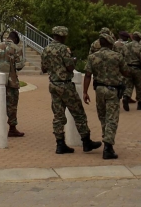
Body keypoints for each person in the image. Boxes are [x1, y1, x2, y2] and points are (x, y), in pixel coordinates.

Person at [43, 27, 100, 155]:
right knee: (78, 113)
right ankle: (86, 141)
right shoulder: (63, 49)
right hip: (65, 85)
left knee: (58, 115)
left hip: (53, 84)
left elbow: (43, 67)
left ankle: (60, 144)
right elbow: (70, 67)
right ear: (62, 36)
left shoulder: (46, 49)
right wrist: (73, 61)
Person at [84, 30, 127, 160]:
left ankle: (107, 141)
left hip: (99, 90)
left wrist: (85, 92)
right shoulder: (117, 56)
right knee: (112, 119)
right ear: (109, 43)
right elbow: (126, 72)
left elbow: (87, 75)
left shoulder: (92, 57)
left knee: (103, 117)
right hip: (113, 90)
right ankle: (108, 147)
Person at [0, 31, 25, 137]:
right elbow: (19, 66)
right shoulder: (17, 49)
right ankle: (12, 129)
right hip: (11, 82)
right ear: (16, 39)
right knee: (12, 106)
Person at [113, 31, 141, 112]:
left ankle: (126, 97)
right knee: (139, 86)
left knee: (128, 85)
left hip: (127, 67)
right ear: (139, 38)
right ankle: (140, 104)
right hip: (137, 68)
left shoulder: (126, 46)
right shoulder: (140, 46)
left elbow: (121, 56)